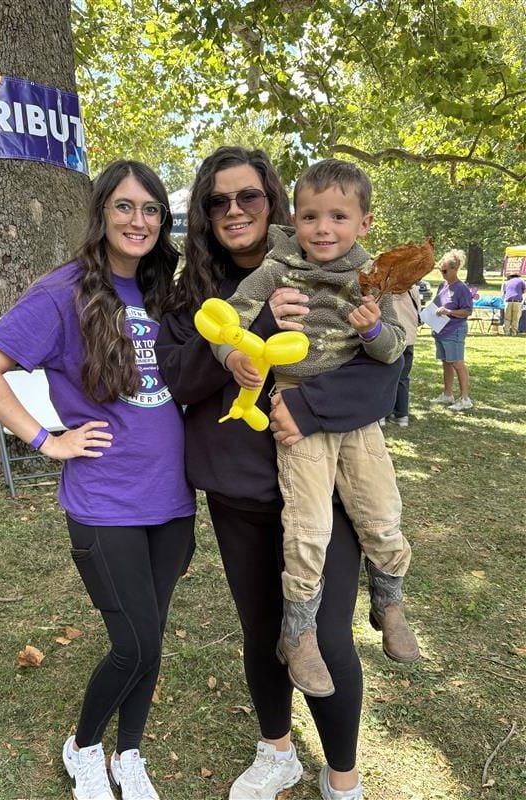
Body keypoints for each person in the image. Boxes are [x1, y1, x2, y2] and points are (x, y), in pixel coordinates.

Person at [157, 146, 400, 800]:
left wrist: (308, 409)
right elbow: (181, 376)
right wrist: (255, 327)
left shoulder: (334, 265)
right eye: (217, 201)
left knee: (322, 636)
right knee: (263, 633)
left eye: (249, 197)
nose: (234, 210)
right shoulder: (193, 291)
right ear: (204, 214)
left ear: (274, 201)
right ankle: (277, 751)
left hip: (326, 490)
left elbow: (386, 378)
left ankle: (342, 778)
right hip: (240, 492)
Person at [0, 160, 194, 800]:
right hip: (106, 501)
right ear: (101, 215)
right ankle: (84, 747)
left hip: (171, 501)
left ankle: (131, 752)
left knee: (152, 638)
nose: (138, 220)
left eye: (151, 210)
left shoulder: (162, 291)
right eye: (124, 207)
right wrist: (45, 439)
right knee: (134, 645)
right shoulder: (64, 292)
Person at [210, 159, 417, 699]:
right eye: (309, 217)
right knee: (306, 528)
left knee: (382, 511)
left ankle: (389, 599)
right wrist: (235, 356)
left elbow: (395, 352)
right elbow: (225, 323)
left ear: (365, 223)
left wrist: (374, 329)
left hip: (358, 421)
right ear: (294, 220)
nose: (322, 229)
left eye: (338, 217)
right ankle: (297, 632)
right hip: (298, 418)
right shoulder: (278, 271)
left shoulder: (375, 279)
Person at [428, 249, 473, 411]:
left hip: (455, 330)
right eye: (441, 270)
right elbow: (436, 304)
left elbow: (467, 311)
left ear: (455, 269)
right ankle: (448, 394)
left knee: (457, 363)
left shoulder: (461, 288)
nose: (442, 273)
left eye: (445, 271)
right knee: (446, 362)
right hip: (441, 330)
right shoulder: (443, 285)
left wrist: (449, 312)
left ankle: (465, 398)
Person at [387, 284, 422, 426]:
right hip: (408, 337)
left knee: (385, 377)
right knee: (402, 377)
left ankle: (383, 414)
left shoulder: (383, 286)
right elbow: (418, 313)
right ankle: (401, 415)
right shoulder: (413, 288)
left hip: (389, 338)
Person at [501, 270, 523, 336]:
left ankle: (506, 332)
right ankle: (514, 333)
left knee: (507, 318)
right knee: (515, 318)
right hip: (517, 302)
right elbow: (524, 290)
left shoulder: (506, 282)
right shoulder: (521, 281)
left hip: (508, 301)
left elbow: (504, 293)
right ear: (518, 276)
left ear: (510, 277)